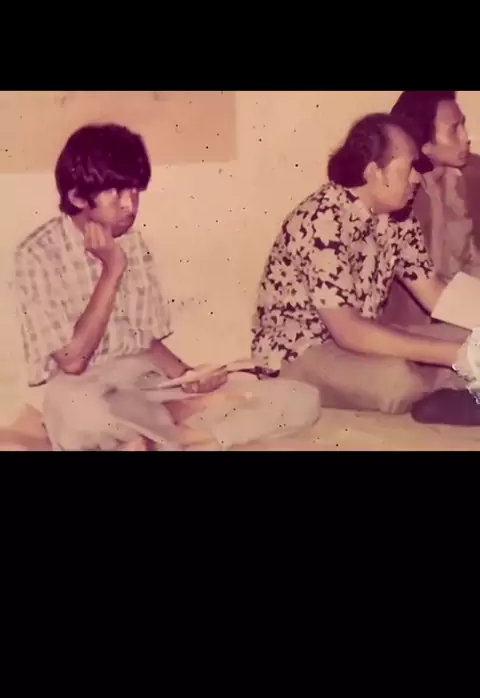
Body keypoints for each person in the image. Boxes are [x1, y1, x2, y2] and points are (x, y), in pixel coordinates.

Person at [13, 123, 228, 451]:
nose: (130, 204)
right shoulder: (36, 255)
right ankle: (171, 430)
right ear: (77, 197)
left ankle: (157, 430)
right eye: (116, 192)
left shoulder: (135, 243)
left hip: (144, 382)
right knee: (76, 410)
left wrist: (189, 376)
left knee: (296, 400)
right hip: (83, 385)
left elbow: (146, 340)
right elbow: (72, 361)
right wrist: (112, 269)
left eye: (135, 190)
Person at [251, 113, 476, 415]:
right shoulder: (322, 221)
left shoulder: (398, 217)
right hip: (302, 352)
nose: (416, 178)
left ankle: (455, 388)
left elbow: (435, 293)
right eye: (409, 167)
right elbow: (349, 331)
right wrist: (454, 355)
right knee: (399, 381)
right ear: (374, 172)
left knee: (467, 338)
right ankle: (453, 391)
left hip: (360, 341)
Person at [382, 91, 480, 327]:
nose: (466, 137)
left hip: (464, 306)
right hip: (416, 325)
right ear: (425, 144)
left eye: (463, 125)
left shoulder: (467, 176)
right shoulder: (402, 198)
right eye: (454, 129)